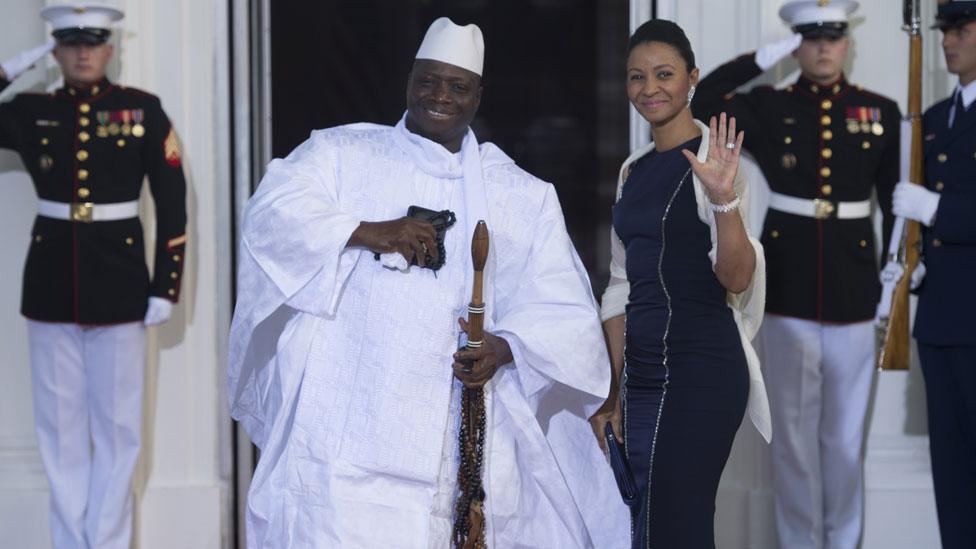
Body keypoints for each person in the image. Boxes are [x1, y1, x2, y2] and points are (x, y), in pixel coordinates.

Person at [228, 17, 628, 548]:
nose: (440, 96)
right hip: (347, 432)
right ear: (408, 81)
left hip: (456, 437)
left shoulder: (519, 195)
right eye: (428, 81)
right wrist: (367, 230)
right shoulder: (343, 155)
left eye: (457, 86)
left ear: (478, 96)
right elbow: (269, 216)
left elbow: (562, 308)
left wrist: (507, 349)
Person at [691, 2, 900, 547]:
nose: (824, 48)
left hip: (857, 294)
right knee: (792, 440)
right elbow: (707, 100)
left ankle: (843, 538)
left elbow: (896, 212)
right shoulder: (767, 106)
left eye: (833, 37)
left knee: (843, 438)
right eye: (810, 39)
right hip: (786, 292)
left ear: (847, 44)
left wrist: (892, 291)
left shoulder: (880, 112)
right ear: (796, 46)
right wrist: (763, 57)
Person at [0, 3, 187, 549]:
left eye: (93, 42)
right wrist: (10, 71)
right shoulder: (31, 109)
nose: (82, 52)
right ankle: (68, 543)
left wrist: (164, 285)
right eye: (69, 42)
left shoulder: (142, 111)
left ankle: (106, 542)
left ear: (110, 48)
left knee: (119, 430)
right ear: (54, 50)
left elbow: (173, 205)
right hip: (52, 286)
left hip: (123, 285)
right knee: (58, 433)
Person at [589, 19, 770, 549]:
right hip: (642, 377)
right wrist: (615, 392)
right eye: (637, 77)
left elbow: (736, 277)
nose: (650, 89)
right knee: (645, 525)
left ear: (692, 79)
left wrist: (722, 198)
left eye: (664, 74)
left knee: (677, 526)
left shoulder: (719, 162)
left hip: (702, 373)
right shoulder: (633, 170)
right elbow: (622, 286)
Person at [891, 2, 976, 547]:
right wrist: (905, 266)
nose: (948, 41)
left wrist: (937, 210)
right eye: (945, 31)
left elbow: (938, 206)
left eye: (962, 30)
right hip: (941, 316)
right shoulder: (942, 115)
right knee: (951, 463)